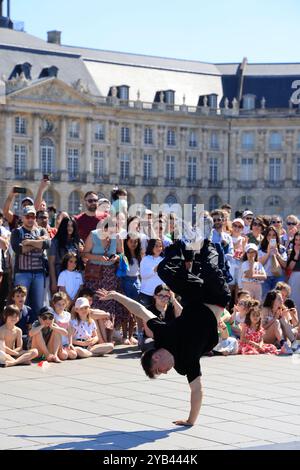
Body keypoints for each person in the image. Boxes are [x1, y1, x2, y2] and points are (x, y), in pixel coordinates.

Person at [98, 238, 231, 426]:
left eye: (159, 371)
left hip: (195, 296)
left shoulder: (162, 335)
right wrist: (190, 421)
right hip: (216, 297)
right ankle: (205, 247)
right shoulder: (184, 363)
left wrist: (116, 296)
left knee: (163, 270)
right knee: (209, 267)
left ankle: (185, 246)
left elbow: (141, 311)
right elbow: (197, 390)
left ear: (156, 358)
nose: (165, 373)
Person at [83, 216, 129, 333]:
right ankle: (94, 331)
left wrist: (117, 257)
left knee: (109, 301)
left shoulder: (117, 236)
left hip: (110, 275)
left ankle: (109, 332)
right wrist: (98, 257)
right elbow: (84, 254)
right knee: (95, 300)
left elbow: (121, 253)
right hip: (94, 274)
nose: (112, 234)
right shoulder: (93, 235)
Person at [10, 206, 51, 320]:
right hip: (22, 273)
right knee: (20, 305)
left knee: (38, 306)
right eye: (28, 216)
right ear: (23, 218)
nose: (30, 219)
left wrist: (29, 242)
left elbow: (47, 244)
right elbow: (19, 249)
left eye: (33, 216)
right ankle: (20, 332)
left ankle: (35, 334)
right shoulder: (16, 232)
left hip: (39, 273)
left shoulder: (42, 230)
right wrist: (38, 242)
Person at [142, 284, 182, 352]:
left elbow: (182, 314)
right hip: (153, 338)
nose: (163, 298)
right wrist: (164, 339)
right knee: (149, 346)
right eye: (160, 295)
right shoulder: (147, 310)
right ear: (154, 296)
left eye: (166, 296)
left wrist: (174, 300)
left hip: (170, 338)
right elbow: (149, 333)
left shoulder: (172, 308)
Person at [49, 217, 84, 294]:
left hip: (74, 276)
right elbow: (51, 263)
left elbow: (81, 261)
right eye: (67, 225)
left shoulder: (78, 241)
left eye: (72, 226)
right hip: (59, 275)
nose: (70, 228)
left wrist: (82, 251)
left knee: (74, 300)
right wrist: (54, 282)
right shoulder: (55, 241)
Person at [121, 233, 142, 345]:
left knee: (135, 311)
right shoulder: (124, 255)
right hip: (126, 281)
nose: (133, 244)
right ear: (126, 242)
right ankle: (124, 336)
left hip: (136, 281)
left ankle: (131, 335)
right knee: (125, 310)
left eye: (135, 242)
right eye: (131, 241)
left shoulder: (139, 255)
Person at [258, 225, 287, 300]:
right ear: (266, 236)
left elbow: (285, 265)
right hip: (265, 277)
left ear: (277, 236)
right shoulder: (261, 247)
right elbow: (259, 263)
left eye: (274, 235)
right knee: (265, 299)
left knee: (278, 299)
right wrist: (268, 253)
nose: (271, 237)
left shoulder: (282, 248)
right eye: (269, 235)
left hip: (278, 277)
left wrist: (277, 254)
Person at [51, 292, 77, 360]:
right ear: (54, 304)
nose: (61, 306)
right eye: (59, 304)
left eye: (63, 304)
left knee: (74, 355)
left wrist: (70, 343)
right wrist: (60, 347)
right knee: (64, 356)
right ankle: (57, 353)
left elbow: (69, 330)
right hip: (56, 344)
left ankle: (66, 350)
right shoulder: (53, 315)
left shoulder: (67, 315)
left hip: (65, 343)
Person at [139, 239, 164, 308]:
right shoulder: (145, 259)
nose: (159, 248)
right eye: (156, 246)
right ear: (151, 247)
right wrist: (154, 270)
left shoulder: (164, 260)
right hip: (146, 293)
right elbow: (143, 275)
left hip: (160, 295)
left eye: (160, 246)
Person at [287, 231, 300, 312]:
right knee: (295, 300)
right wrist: (296, 254)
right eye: (296, 239)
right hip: (294, 277)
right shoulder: (292, 251)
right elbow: (290, 267)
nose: (298, 242)